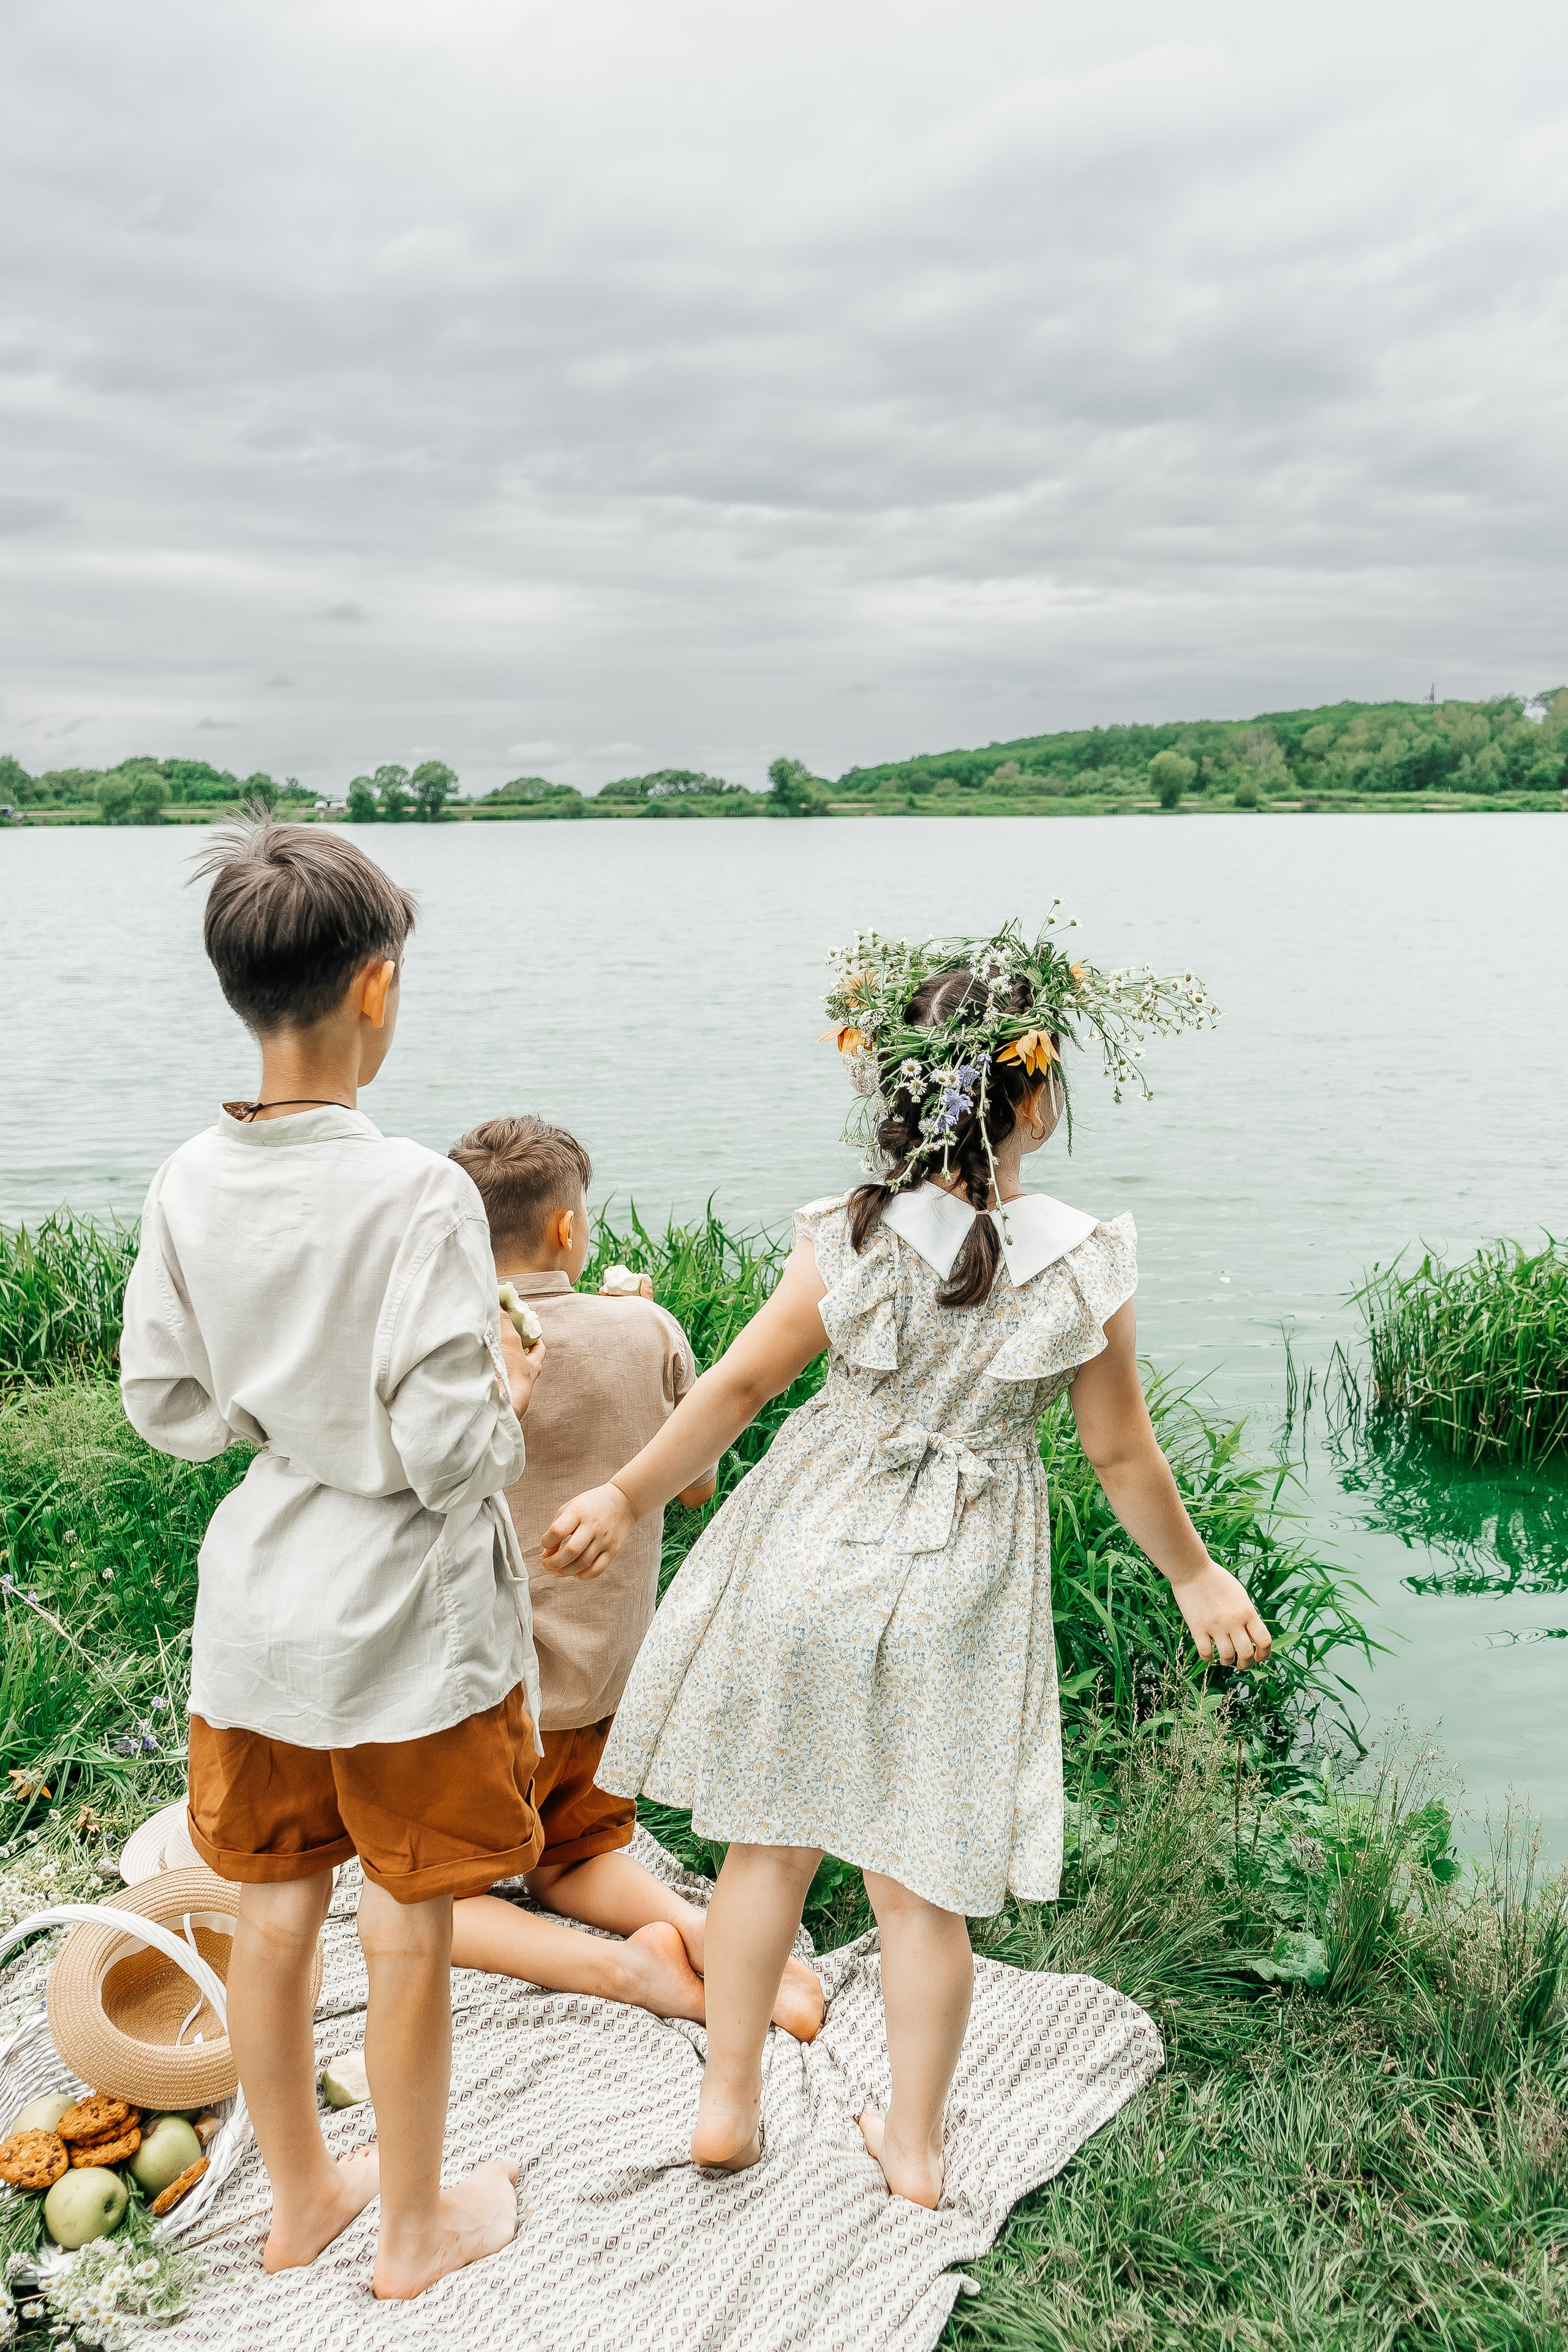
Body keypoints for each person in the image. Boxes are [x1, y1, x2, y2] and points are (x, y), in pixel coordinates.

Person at [541, 920, 1271, 2208]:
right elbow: (1120, 1456)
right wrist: (1194, 1576)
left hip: (806, 1550)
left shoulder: (846, 1232)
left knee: (765, 1854)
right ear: (1033, 1099)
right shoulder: (1084, 1256)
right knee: (919, 1891)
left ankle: (725, 2107)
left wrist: (622, 1489)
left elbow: (737, 1388)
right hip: (955, 1580)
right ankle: (918, 2155)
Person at [119, 815, 546, 2300]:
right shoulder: (419, 1191)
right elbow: (446, 1449)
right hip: (402, 1631)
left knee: (278, 1907)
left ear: (241, 991)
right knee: (410, 1922)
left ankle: (301, 2196)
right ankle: (417, 2227)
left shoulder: (188, 1175)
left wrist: (285, 1407)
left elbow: (165, 1404)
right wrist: (510, 1394)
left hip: (257, 1611)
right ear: (376, 986)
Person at [443, 1116, 824, 2041]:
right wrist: (642, 1326)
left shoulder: (442, 1341)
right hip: (610, 1688)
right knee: (573, 1858)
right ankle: (703, 1931)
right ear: (569, 1230)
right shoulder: (644, 1327)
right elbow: (693, 1484)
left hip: (494, 1695)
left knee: (418, 1899)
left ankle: (626, 1970)